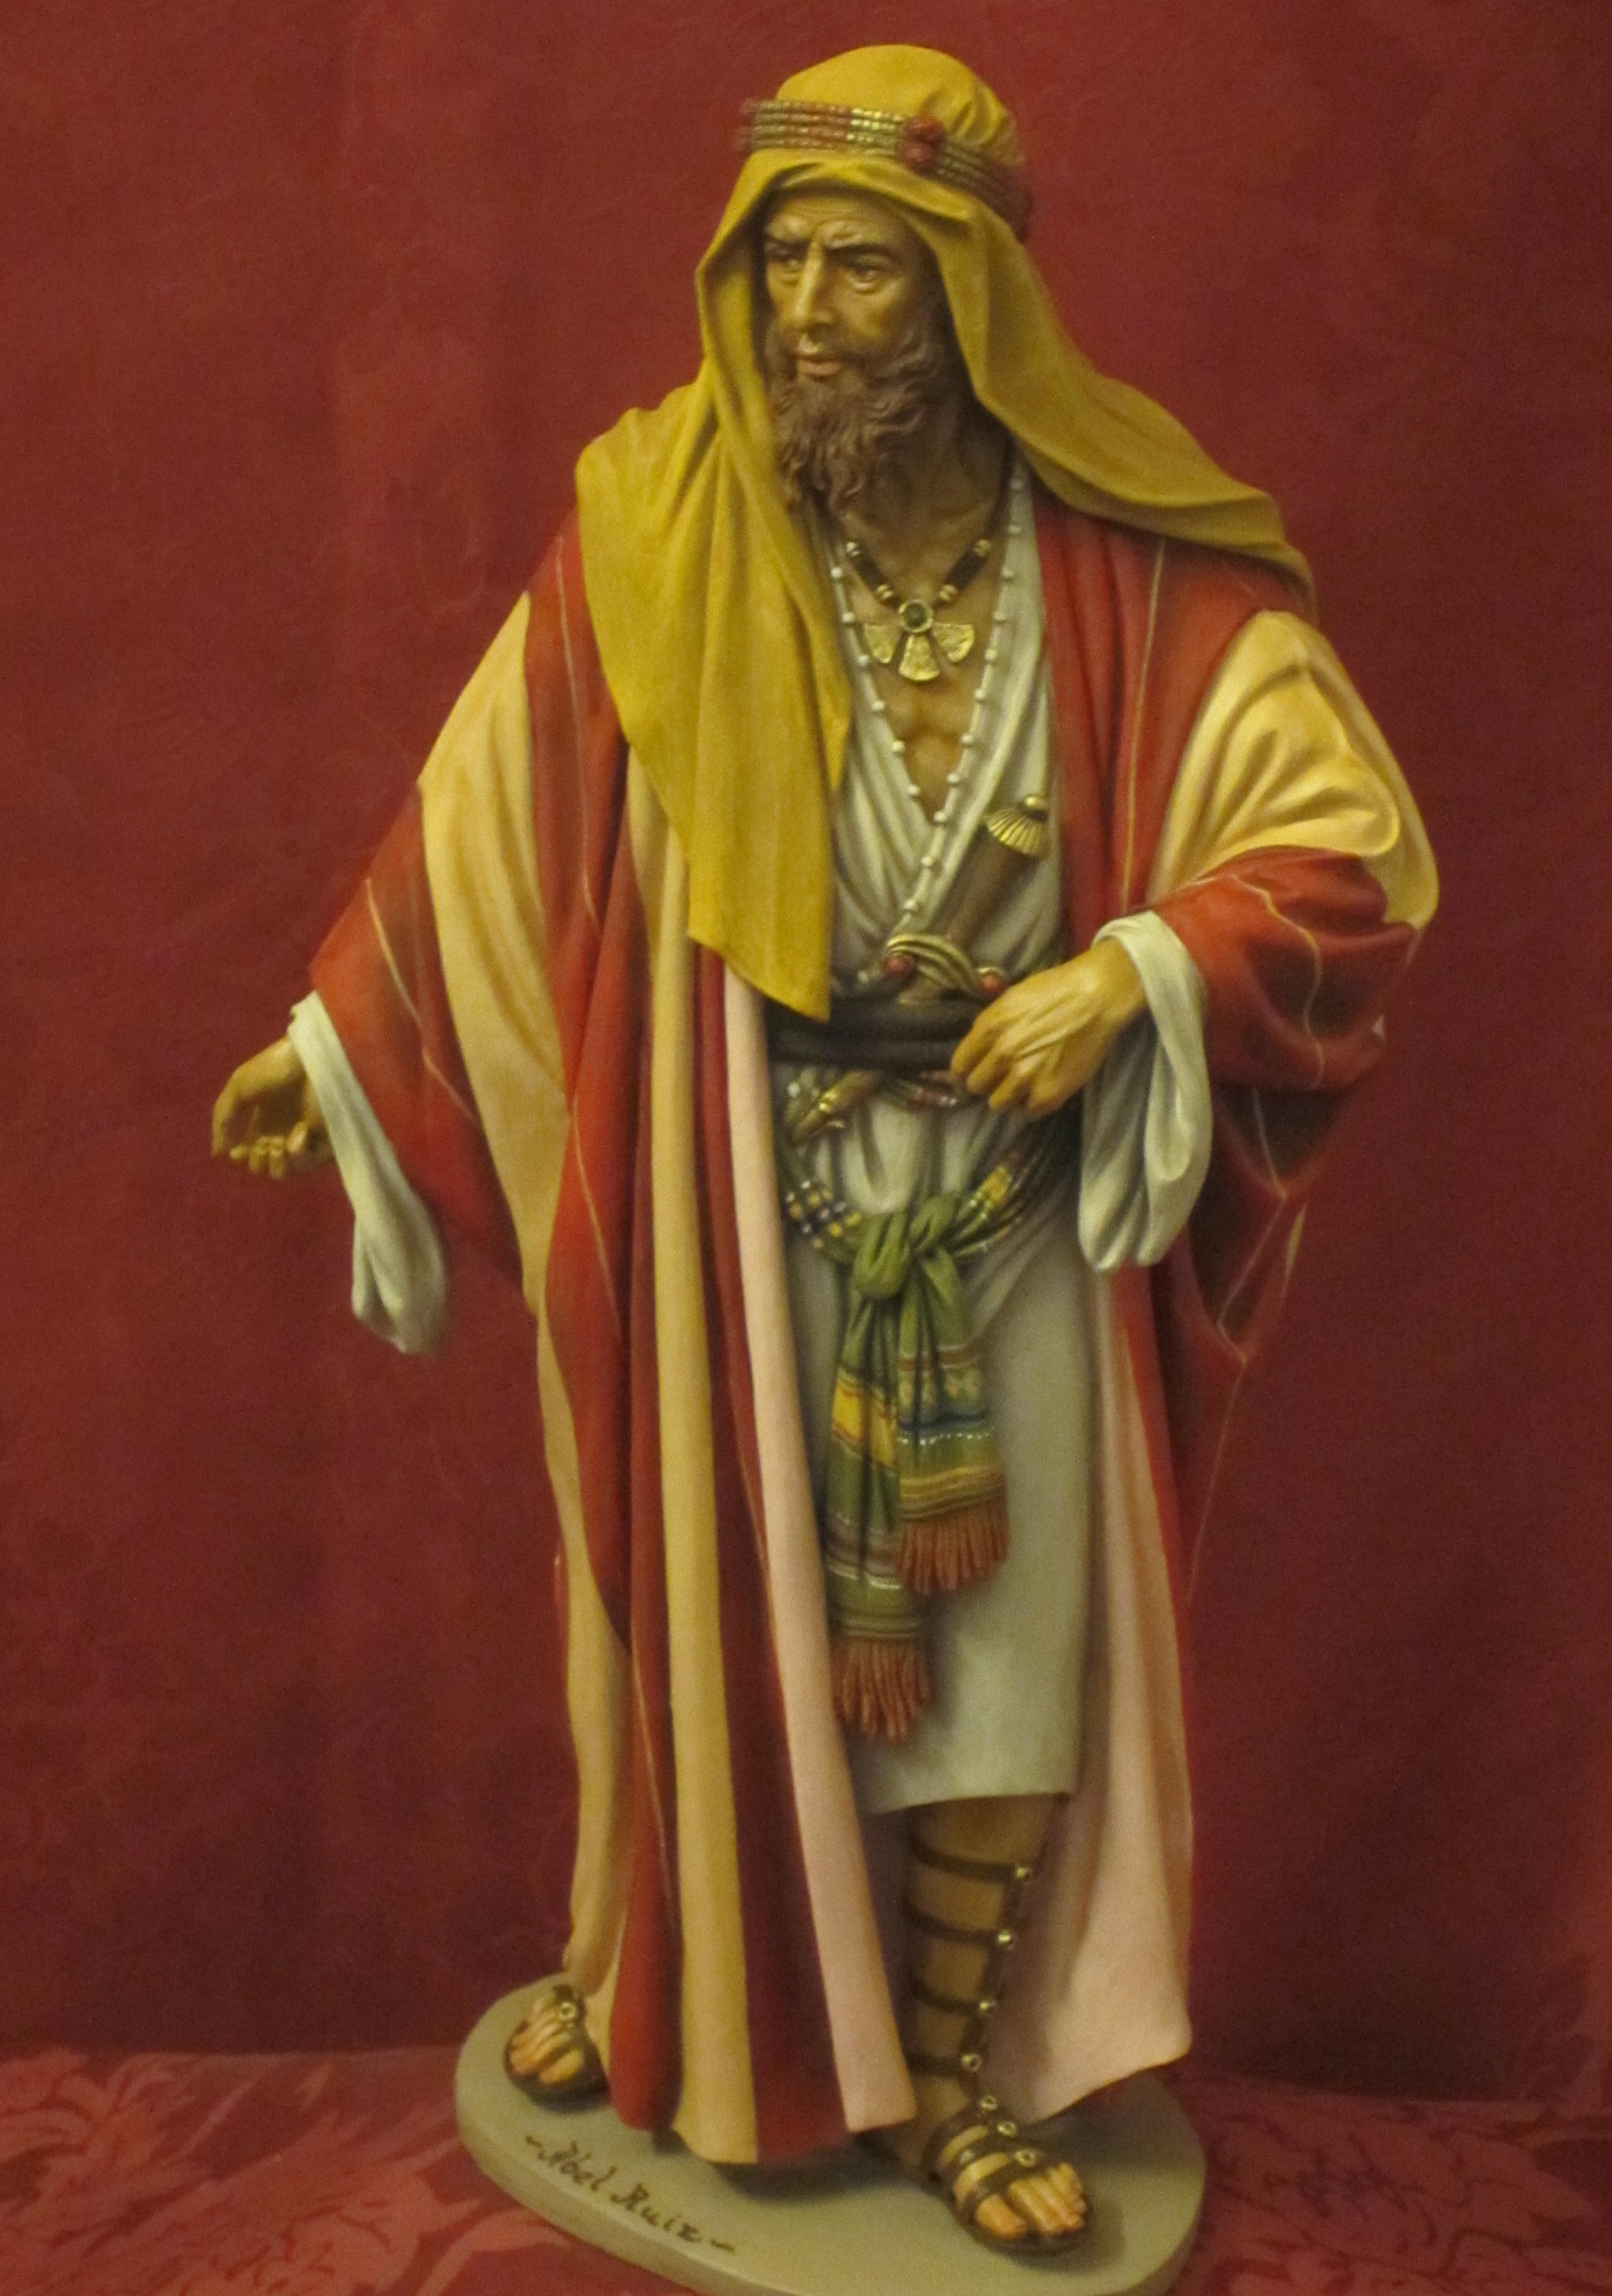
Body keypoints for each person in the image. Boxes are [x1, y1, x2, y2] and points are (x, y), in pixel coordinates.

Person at [213, 44, 1435, 2258]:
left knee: (1007, 1677)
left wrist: (1139, 970)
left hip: (1014, 1211)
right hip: (740, 1210)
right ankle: (667, 1990)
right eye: (776, 263)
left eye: (860, 268)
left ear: (970, 293)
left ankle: (947, 2073)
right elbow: (484, 812)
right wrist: (343, 1043)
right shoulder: (664, 529)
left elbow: (1343, 843)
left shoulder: (1123, 573)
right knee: (709, 1638)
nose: (804, 314)